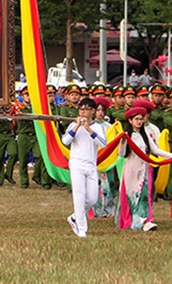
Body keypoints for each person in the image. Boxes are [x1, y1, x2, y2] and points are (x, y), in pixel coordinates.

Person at [116, 106, 172, 232]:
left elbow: (155, 150)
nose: (139, 122)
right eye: (136, 119)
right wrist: (122, 143)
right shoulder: (127, 136)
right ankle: (134, 220)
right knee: (132, 195)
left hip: (143, 169)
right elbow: (122, 154)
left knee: (144, 194)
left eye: (141, 119)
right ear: (130, 121)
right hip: (131, 170)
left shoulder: (145, 135)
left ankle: (145, 220)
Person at [61, 97, 106, 238]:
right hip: (76, 163)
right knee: (79, 196)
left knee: (92, 198)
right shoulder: (73, 125)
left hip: (91, 165)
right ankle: (82, 228)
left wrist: (87, 128)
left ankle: (75, 217)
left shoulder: (98, 127)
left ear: (92, 111)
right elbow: (65, 141)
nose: (83, 112)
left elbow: (103, 144)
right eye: (81, 109)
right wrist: (77, 126)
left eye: (86, 110)